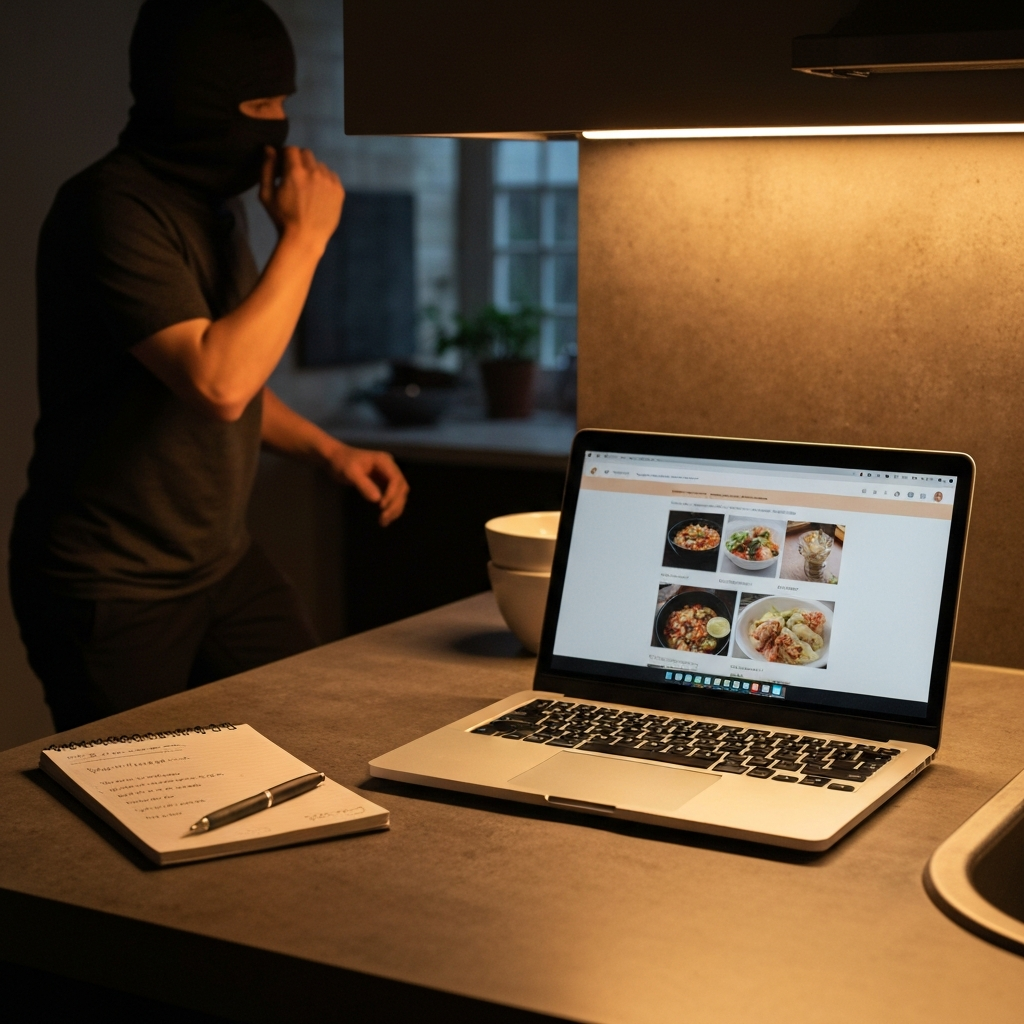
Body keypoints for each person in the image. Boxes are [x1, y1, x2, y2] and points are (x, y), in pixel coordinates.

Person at [8, 0, 409, 732]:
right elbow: (217, 384)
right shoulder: (111, 208)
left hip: (220, 567)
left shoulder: (214, 206)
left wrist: (329, 450)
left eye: (284, 102)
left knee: (316, 732)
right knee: (140, 807)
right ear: (190, 101)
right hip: (110, 585)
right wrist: (306, 239)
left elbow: (238, 368)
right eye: (260, 104)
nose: (277, 124)